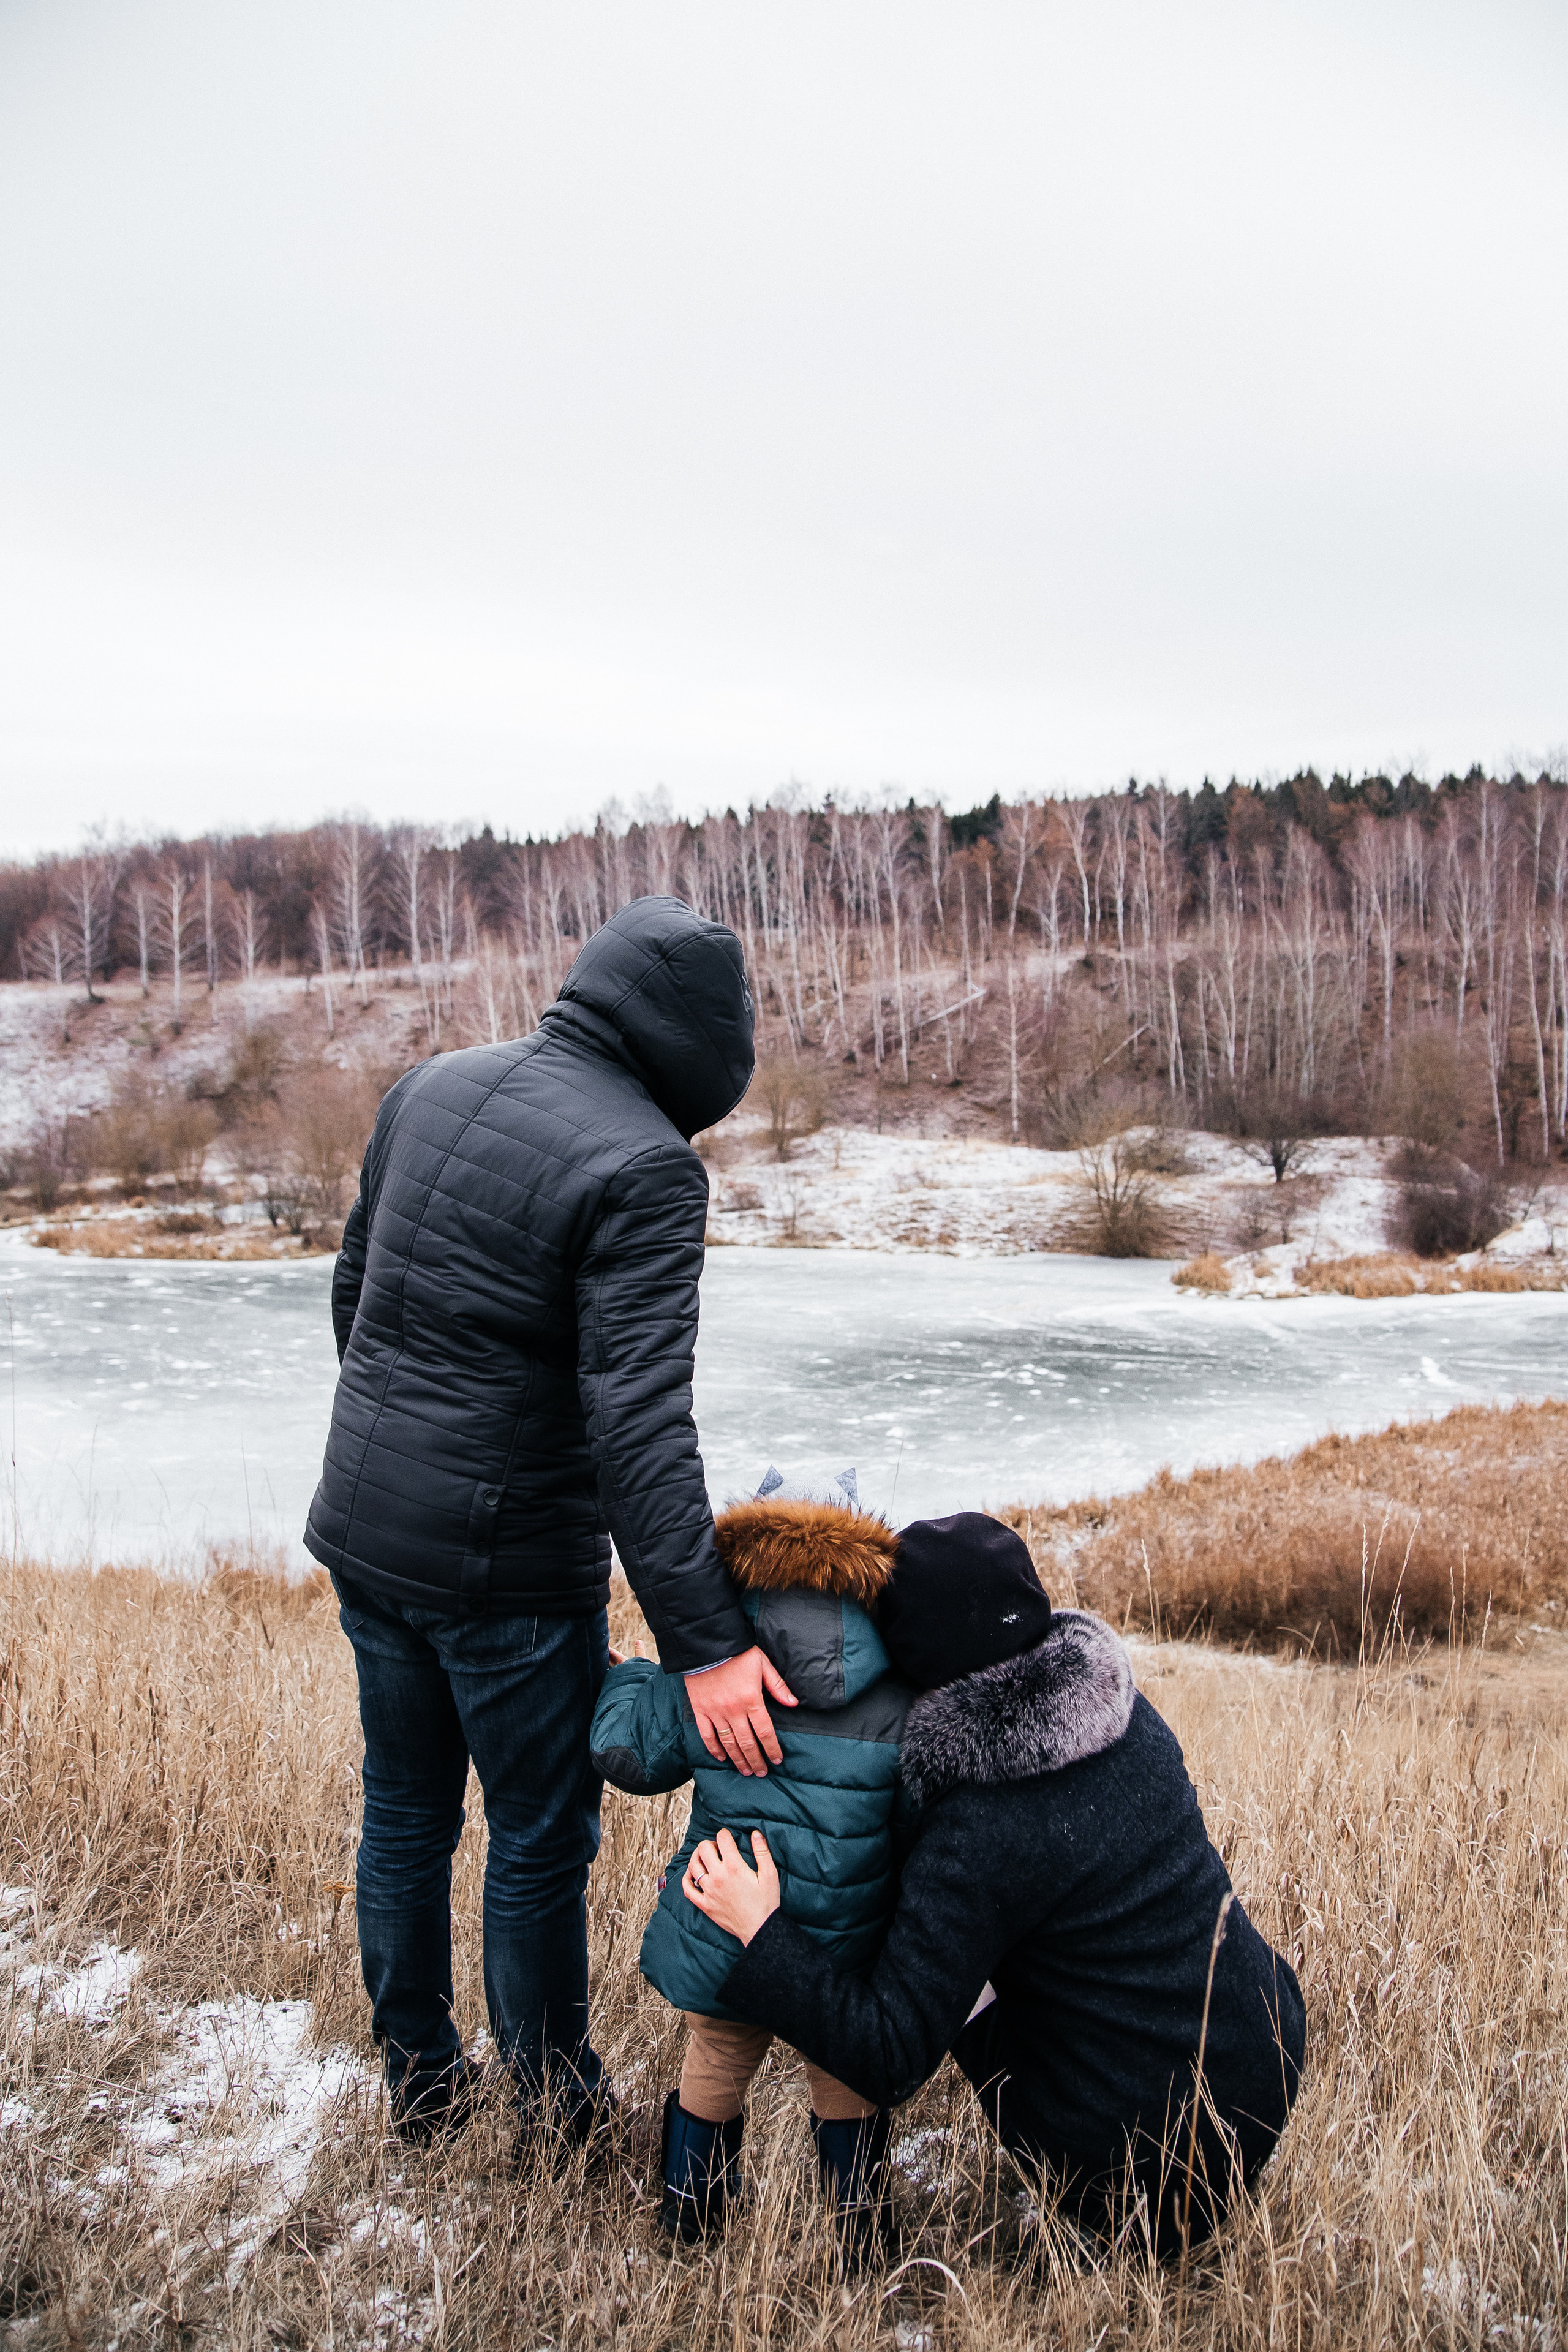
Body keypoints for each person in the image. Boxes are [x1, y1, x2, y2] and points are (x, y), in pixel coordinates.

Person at [305, 895, 796, 2141]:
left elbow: (354, 1297)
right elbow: (638, 1429)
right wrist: (706, 1645)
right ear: (697, 1046)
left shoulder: (433, 1082)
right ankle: (551, 2103)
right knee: (535, 1833)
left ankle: (419, 2084)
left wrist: (398, 1454)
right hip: (505, 1568)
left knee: (404, 1812)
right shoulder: (642, 1167)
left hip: (367, 1529)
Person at [684, 1512, 1306, 2259]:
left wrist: (762, 1931)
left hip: (1133, 2172)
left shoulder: (978, 1829)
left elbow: (887, 2053)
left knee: (924, 1956)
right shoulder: (1130, 1718)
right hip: (1265, 2062)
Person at [590, 1467, 908, 2252]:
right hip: (849, 1936)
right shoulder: (901, 1670)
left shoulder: (713, 1662)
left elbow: (625, 1755)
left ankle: (691, 2222)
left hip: (724, 1918)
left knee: (718, 2055)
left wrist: (633, 1677)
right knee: (844, 2073)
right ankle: (861, 2244)